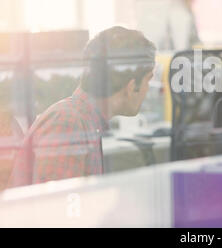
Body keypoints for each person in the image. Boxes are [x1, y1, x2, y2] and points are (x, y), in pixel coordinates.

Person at [8, 26, 156, 187]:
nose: (148, 88)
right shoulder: (69, 123)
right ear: (131, 86)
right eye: (148, 80)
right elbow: (56, 207)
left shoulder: (86, 121)